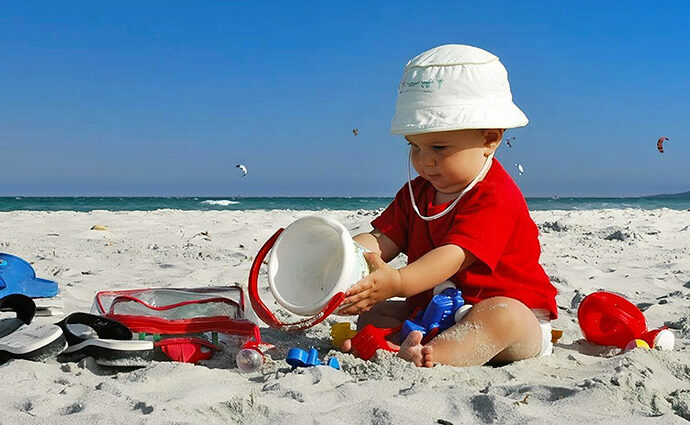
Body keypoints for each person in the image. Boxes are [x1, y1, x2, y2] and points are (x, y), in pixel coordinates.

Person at [339, 44, 558, 367]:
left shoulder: (495, 196)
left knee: (501, 316)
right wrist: (345, 258)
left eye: (439, 147)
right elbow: (382, 240)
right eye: (414, 147)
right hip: (434, 310)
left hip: (505, 314)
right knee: (375, 310)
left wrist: (397, 282)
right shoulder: (416, 193)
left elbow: (451, 256)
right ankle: (402, 343)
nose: (424, 161)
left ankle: (433, 355)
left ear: (490, 139)